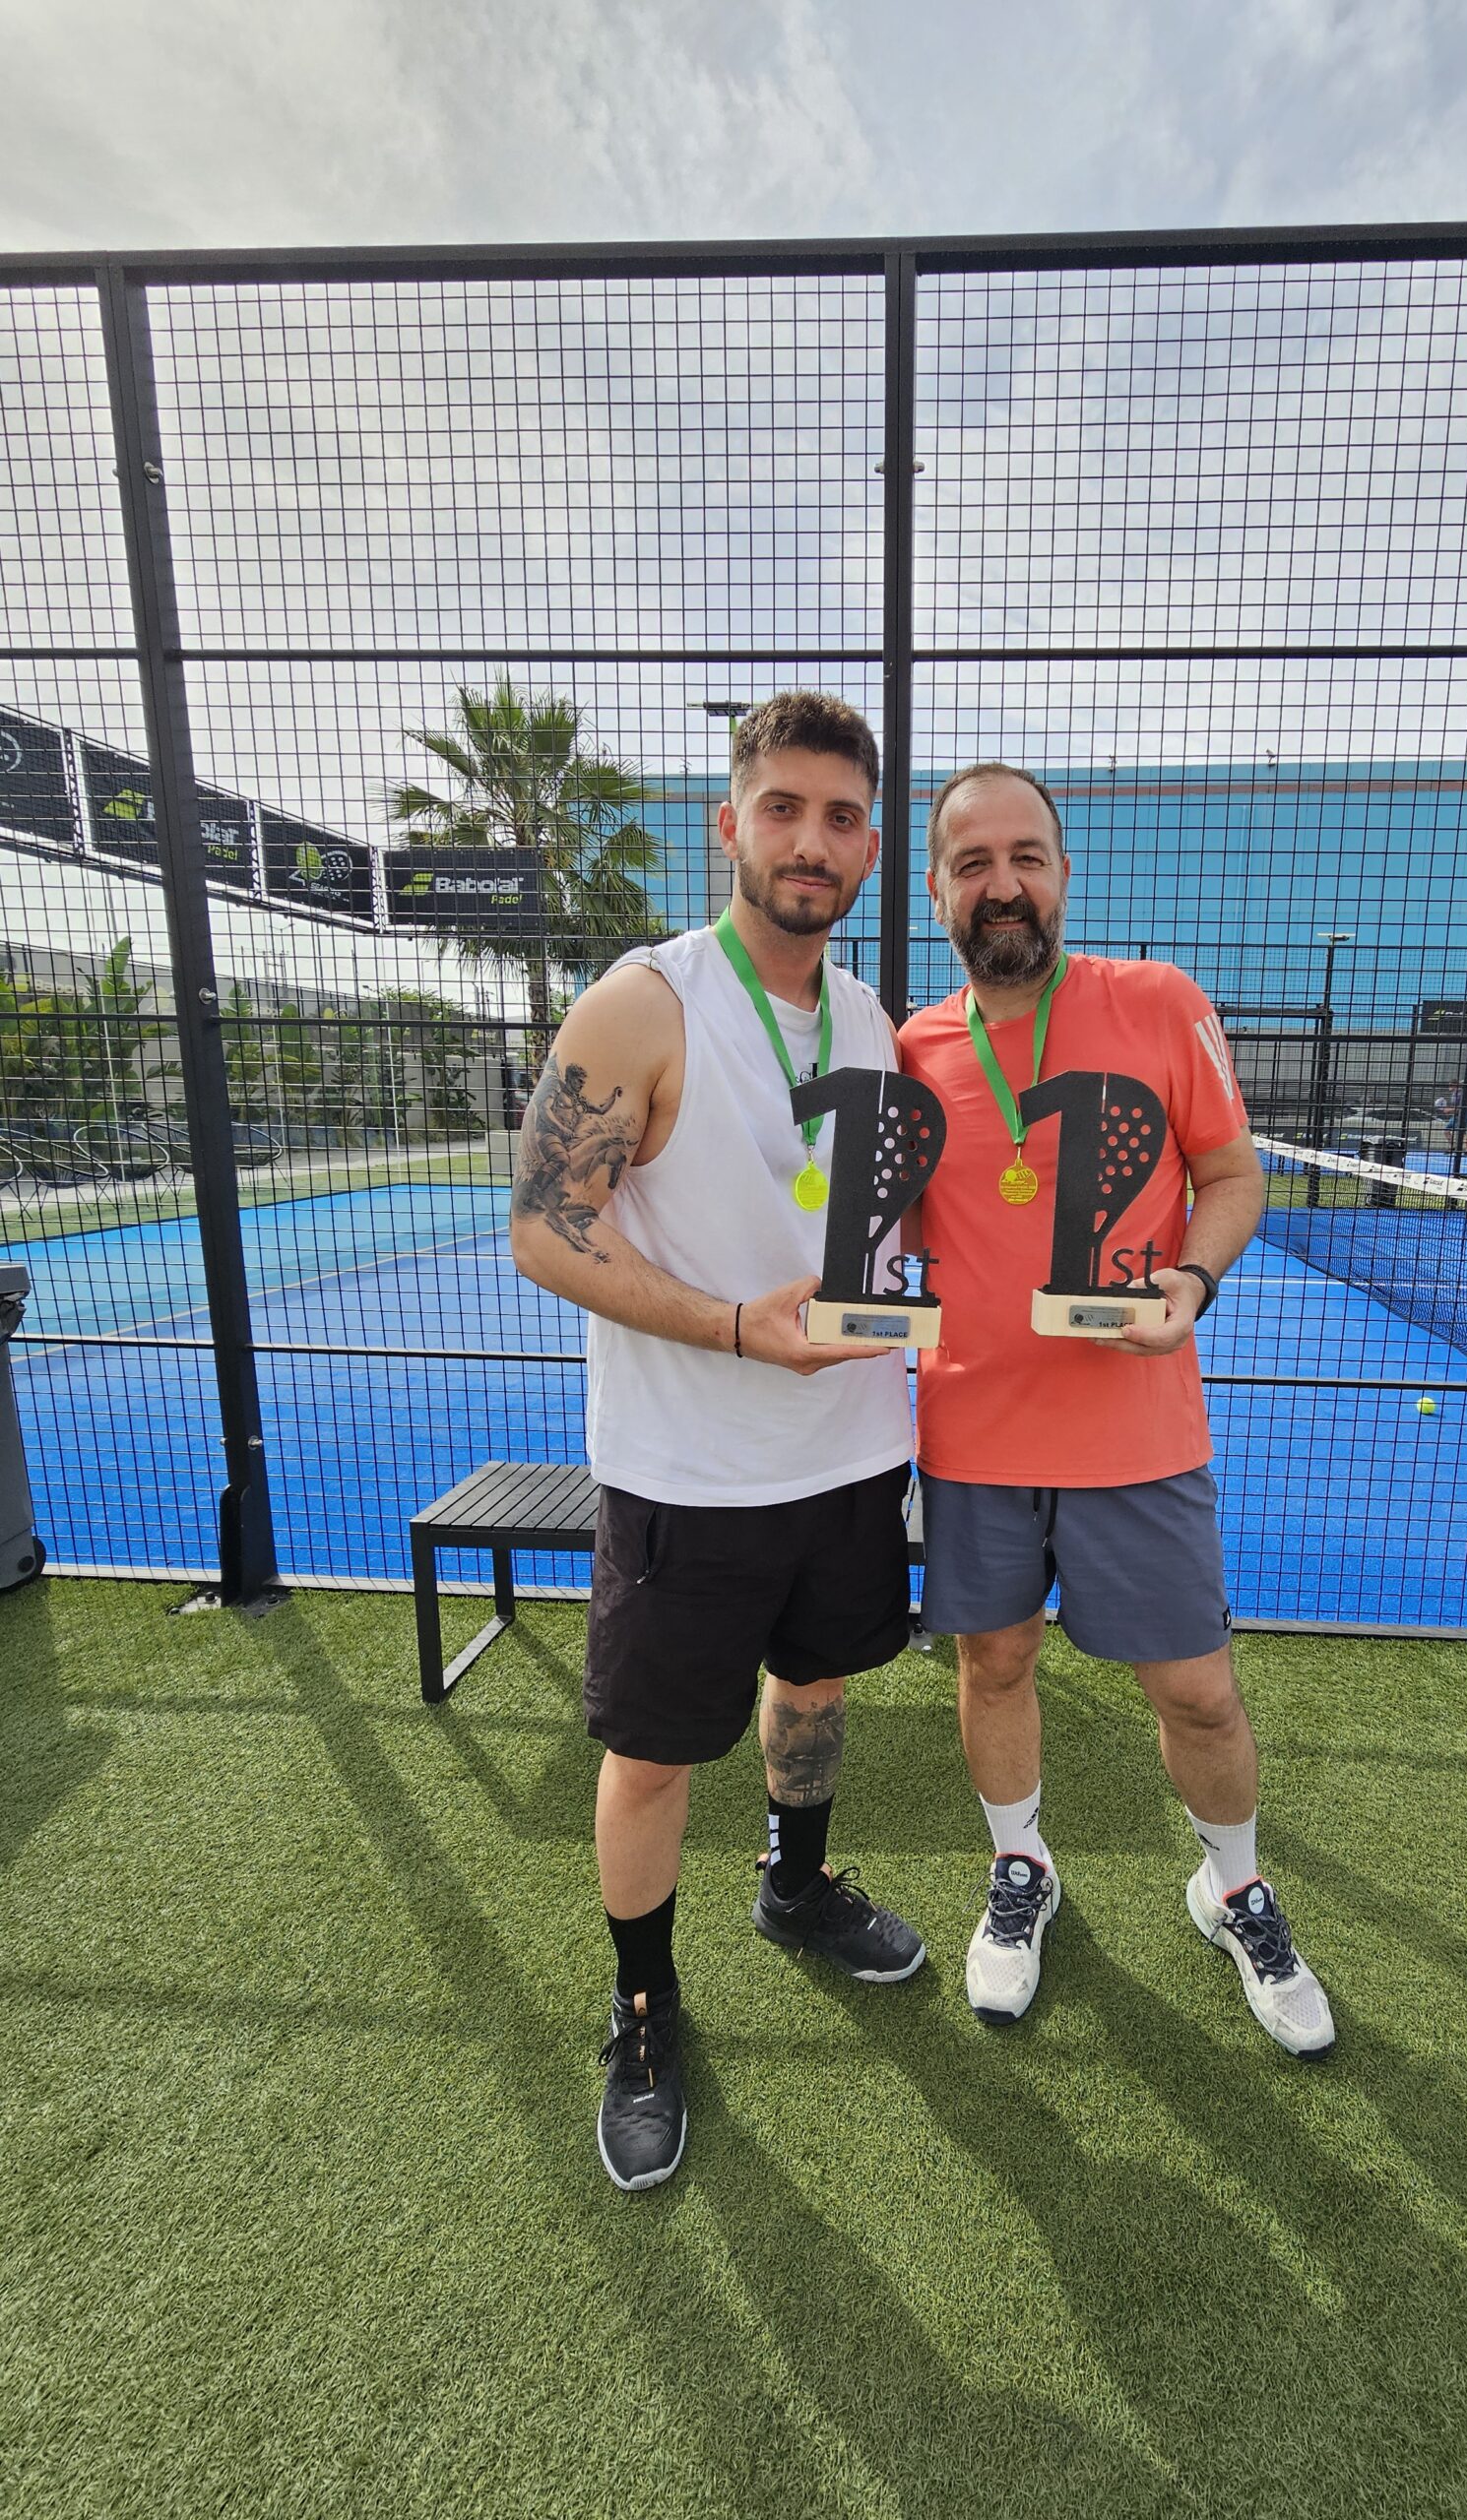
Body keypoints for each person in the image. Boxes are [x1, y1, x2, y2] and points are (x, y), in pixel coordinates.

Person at [510, 690, 925, 2195]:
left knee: (813, 1689)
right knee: (649, 1758)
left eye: (841, 817)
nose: (811, 840)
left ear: (869, 847)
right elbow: (543, 1229)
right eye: (783, 808)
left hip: (851, 1454)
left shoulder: (873, 1021)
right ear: (729, 823)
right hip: (687, 1473)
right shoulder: (646, 1003)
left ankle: (795, 1889)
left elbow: (873, 1244)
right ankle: (642, 2012)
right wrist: (739, 1328)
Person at [899, 763, 1335, 2058]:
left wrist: (1190, 1284)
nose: (1002, 884)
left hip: (1136, 1431)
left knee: (1196, 1692)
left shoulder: (1158, 1001)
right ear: (938, 892)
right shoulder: (910, 1052)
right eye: (972, 863)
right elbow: (869, 1232)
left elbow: (1233, 1176)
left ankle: (1234, 1888)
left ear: (1064, 873)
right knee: (995, 1663)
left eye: (1025, 856)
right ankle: (1021, 1865)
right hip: (972, 1433)